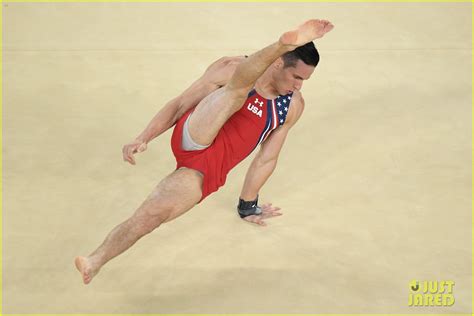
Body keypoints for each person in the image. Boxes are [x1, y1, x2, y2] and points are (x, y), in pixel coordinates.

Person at [75, 19, 334, 284]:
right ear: (278, 63)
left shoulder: (290, 107)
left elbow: (266, 159)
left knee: (151, 216)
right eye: (297, 77)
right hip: (196, 133)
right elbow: (180, 104)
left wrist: (248, 206)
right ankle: (282, 44)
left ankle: (94, 262)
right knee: (237, 90)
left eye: (305, 80)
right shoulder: (229, 68)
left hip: (204, 170)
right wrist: (144, 137)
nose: (299, 86)